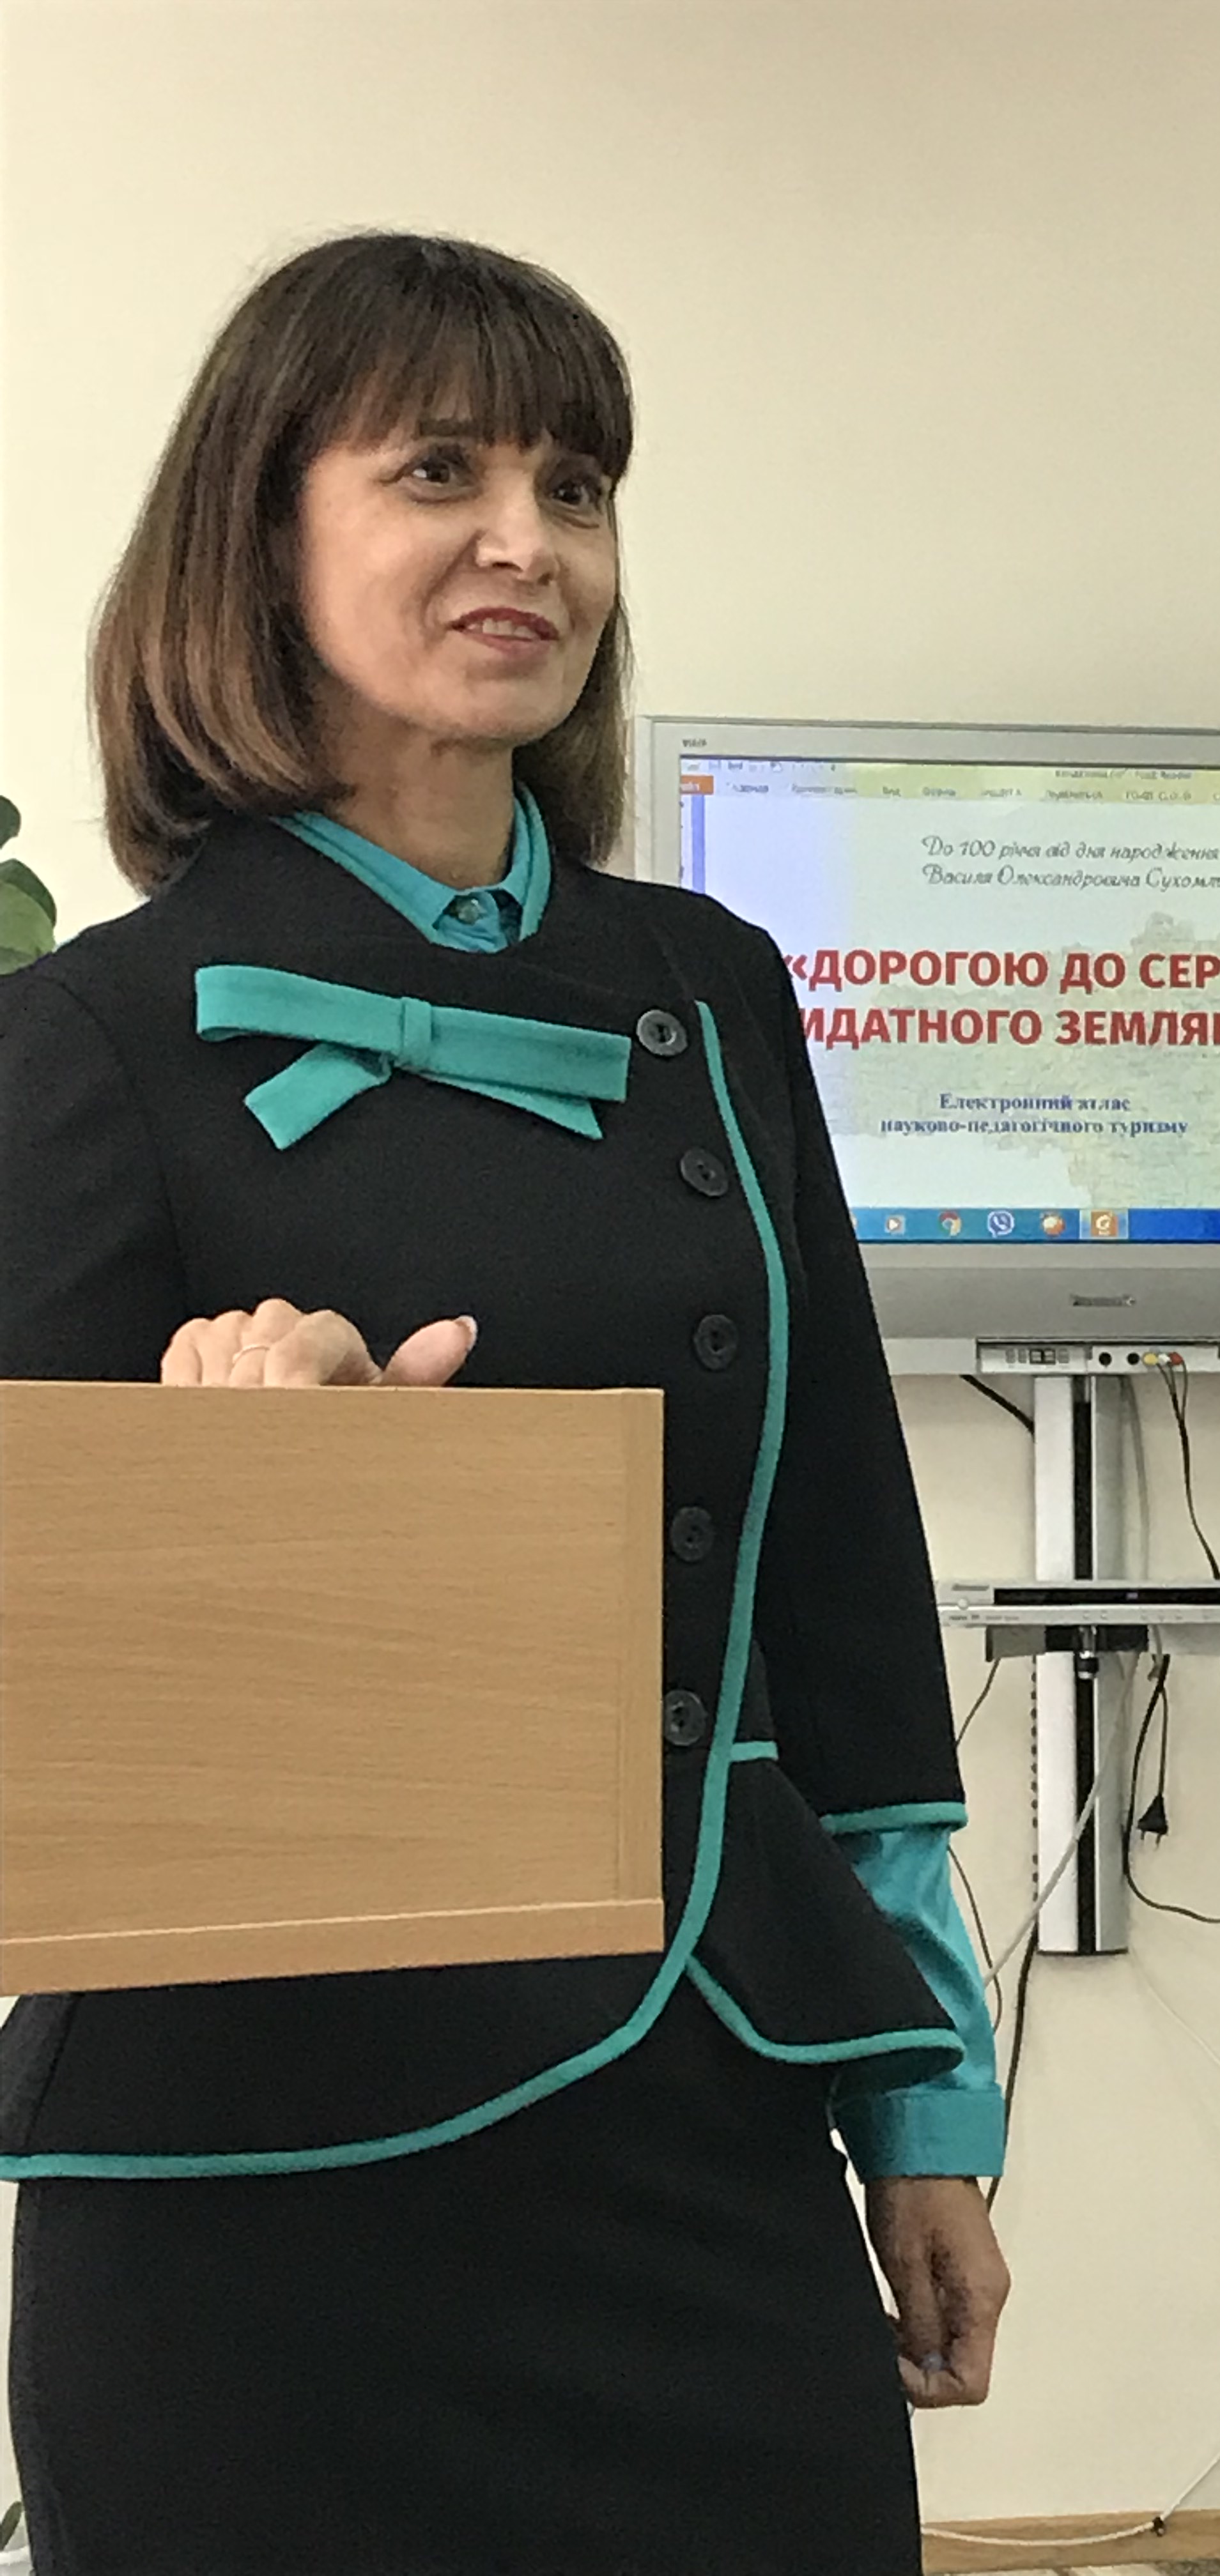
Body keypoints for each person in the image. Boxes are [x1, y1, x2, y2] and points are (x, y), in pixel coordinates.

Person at [0, 230, 1010, 2576]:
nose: (526, 543)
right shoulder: (89, 1039)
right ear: (261, 537)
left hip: (704, 2111)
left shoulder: (714, 988)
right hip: (258, 2177)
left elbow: (840, 1583)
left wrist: (923, 2107)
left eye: (576, 486)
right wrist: (209, 1500)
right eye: (438, 471)